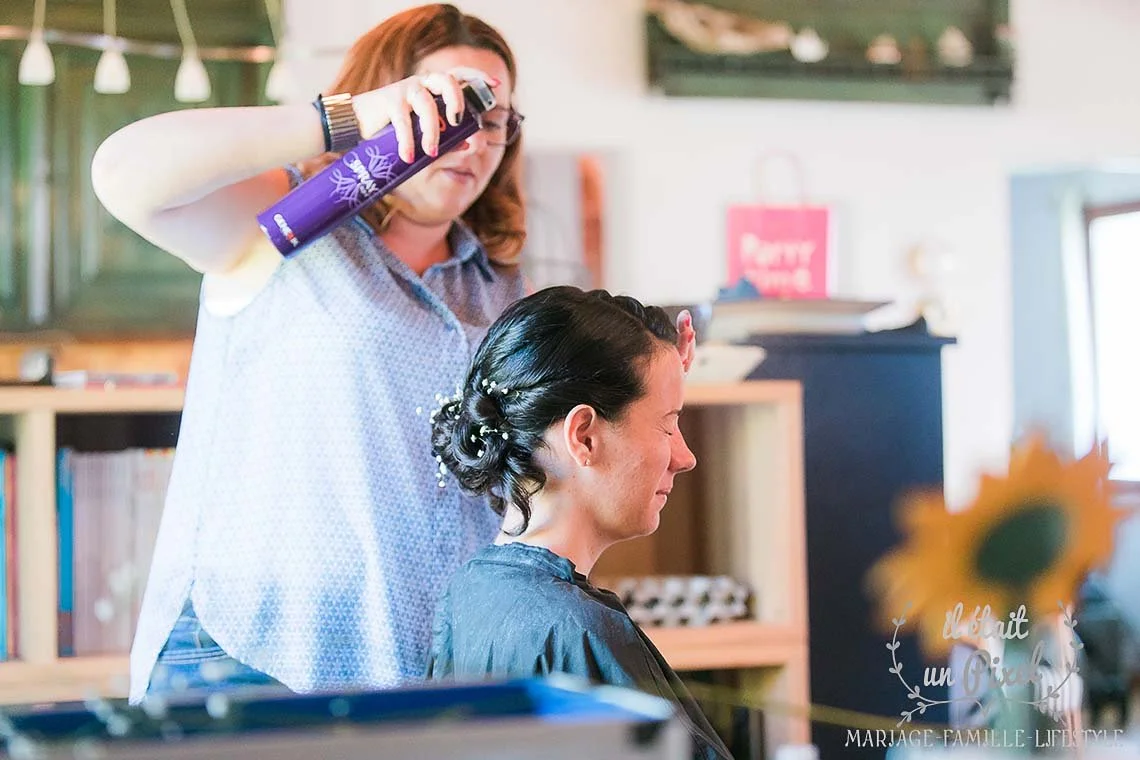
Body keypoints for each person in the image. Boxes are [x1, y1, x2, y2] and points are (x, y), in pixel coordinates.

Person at [91, 4, 534, 704]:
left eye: (493, 118)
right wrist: (348, 118)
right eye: (450, 107)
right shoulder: (285, 219)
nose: (472, 139)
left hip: (424, 667)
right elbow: (121, 172)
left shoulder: (501, 285)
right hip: (252, 652)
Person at [425, 286, 731, 760]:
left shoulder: (468, 595)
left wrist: (658, 372)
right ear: (583, 436)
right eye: (669, 426)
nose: (685, 457)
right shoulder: (578, 634)